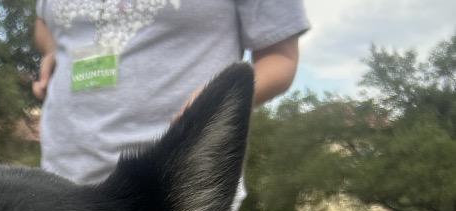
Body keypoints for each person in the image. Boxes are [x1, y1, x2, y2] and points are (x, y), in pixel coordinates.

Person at [33, 0, 309, 188]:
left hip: (168, 185)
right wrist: (51, 52)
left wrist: (208, 102)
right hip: (61, 170)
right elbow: (44, 22)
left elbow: (280, 58)